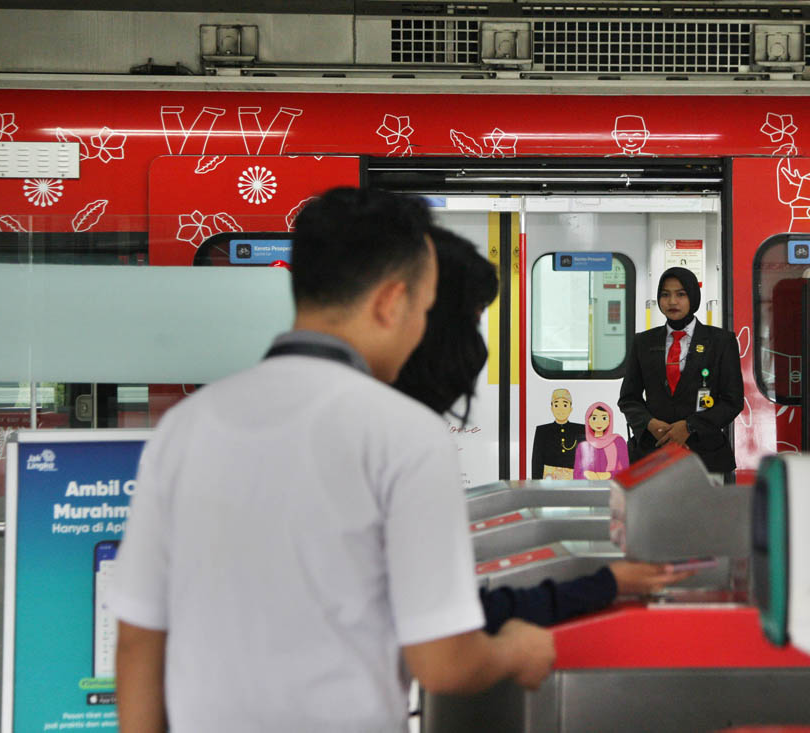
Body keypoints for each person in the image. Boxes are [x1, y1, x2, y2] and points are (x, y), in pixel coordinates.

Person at [111, 189, 554, 733]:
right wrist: (515, 649)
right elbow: (444, 664)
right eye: (422, 307)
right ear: (391, 303)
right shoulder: (404, 435)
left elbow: (136, 644)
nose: (421, 328)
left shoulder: (185, 427)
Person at [396, 226, 694, 633]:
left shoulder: (386, 422)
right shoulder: (389, 436)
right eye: (468, 325)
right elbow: (441, 638)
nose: (476, 351)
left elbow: (452, 607)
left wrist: (603, 585)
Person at [618, 267, 744, 481]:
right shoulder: (643, 342)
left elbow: (732, 401)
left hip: (706, 456)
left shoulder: (721, 342)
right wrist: (650, 424)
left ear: (693, 297)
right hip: (652, 454)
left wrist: (689, 427)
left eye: (680, 294)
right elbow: (629, 399)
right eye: (665, 295)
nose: (672, 301)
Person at [530, 388, 586, 480]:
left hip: (575, 481)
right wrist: (536, 484)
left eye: (565, 405)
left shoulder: (580, 429)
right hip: (548, 481)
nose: (560, 409)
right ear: (551, 408)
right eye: (556, 405)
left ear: (571, 408)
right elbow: (537, 460)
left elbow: (584, 459)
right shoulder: (542, 431)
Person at [572, 401, 630, 480]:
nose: (599, 422)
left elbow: (625, 471)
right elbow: (576, 475)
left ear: (610, 420)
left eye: (604, 418)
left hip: (613, 489)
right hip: (589, 490)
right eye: (594, 418)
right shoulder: (583, 445)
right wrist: (586, 475)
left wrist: (608, 475)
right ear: (588, 420)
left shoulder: (618, 441)